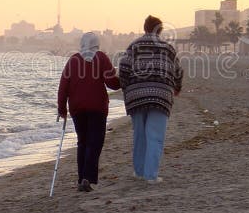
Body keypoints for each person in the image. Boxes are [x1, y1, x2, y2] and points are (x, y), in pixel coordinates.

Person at [118, 15, 183, 184]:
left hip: (136, 95)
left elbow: (124, 68)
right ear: (160, 30)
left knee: (139, 135)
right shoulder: (168, 48)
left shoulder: (134, 46)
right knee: (155, 136)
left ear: (144, 27)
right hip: (161, 96)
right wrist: (177, 88)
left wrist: (126, 88)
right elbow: (178, 71)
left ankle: (139, 171)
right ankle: (151, 175)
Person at [57, 32, 120, 192]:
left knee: (83, 142)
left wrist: (62, 109)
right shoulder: (101, 58)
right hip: (97, 107)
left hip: (77, 108)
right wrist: (124, 82)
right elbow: (112, 82)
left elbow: (63, 85)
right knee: (95, 142)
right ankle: (87, 178)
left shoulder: (73, 60)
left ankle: (81, 179)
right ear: (97, 44)